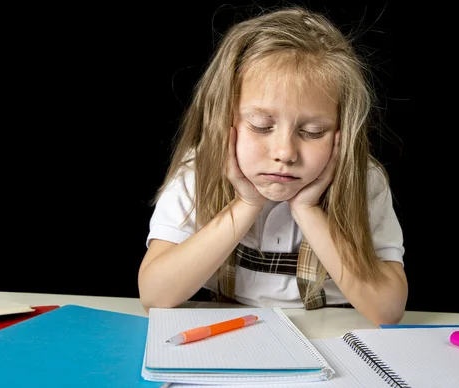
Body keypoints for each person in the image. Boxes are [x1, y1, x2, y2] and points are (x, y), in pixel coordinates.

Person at [138, 6, 408, 325]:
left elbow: (388, 310)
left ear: (342, 134)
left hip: (335, 334)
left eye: (312, 132)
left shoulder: (364, 180)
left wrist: (308, 210)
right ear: (223, 119)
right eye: (261, 125)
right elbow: (154, 294)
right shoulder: (198, 172)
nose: (284, 152)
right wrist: (246, 204)